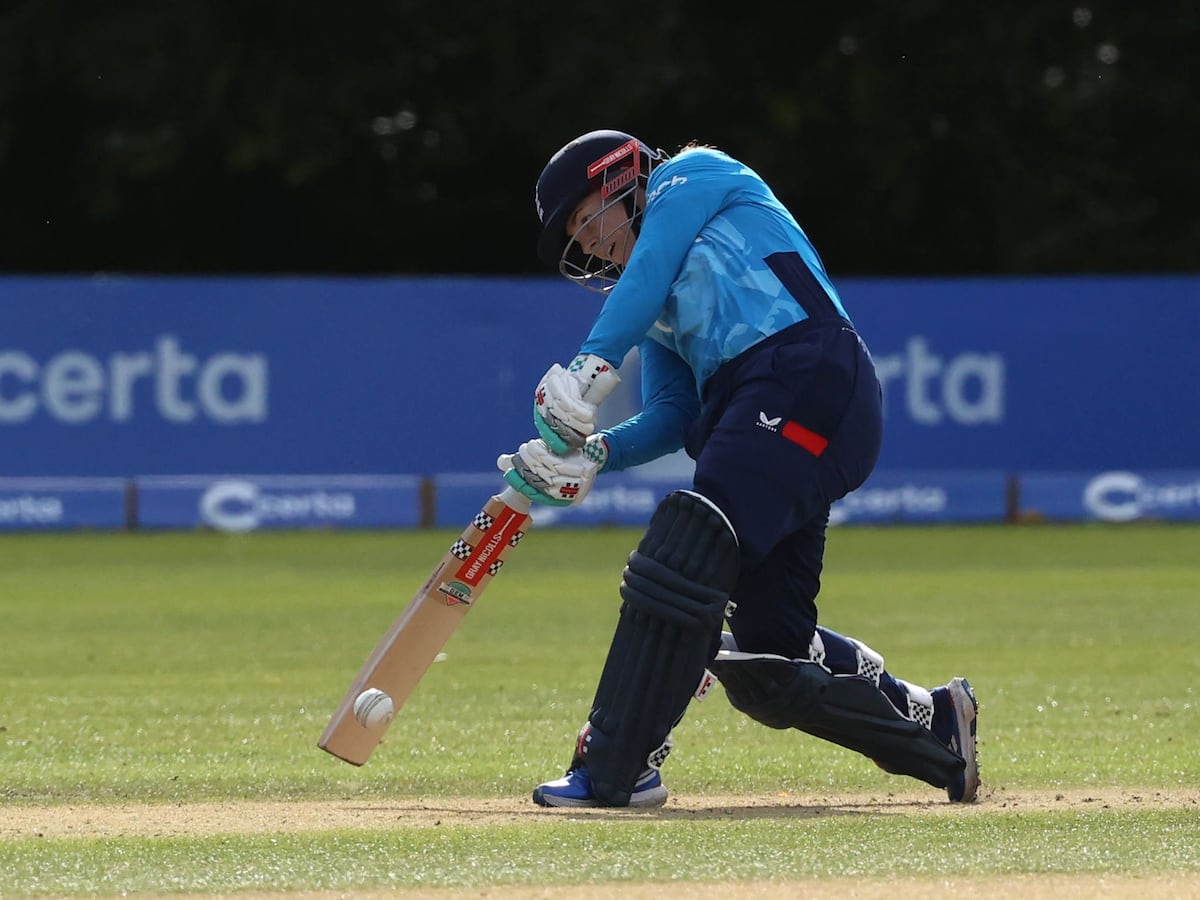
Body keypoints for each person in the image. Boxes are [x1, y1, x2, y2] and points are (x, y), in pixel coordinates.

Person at [496, 129, 979, 809]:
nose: (590, 244)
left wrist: (587, 371)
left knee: (688, 554)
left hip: (803, 373)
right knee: (768, 662)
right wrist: (594, 453)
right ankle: (936, 725)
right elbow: (671, 413)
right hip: (761, 410)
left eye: (586, 220)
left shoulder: (693, 177)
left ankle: (615, 765)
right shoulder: (658, 304)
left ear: (620, 179)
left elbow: (653, 261)